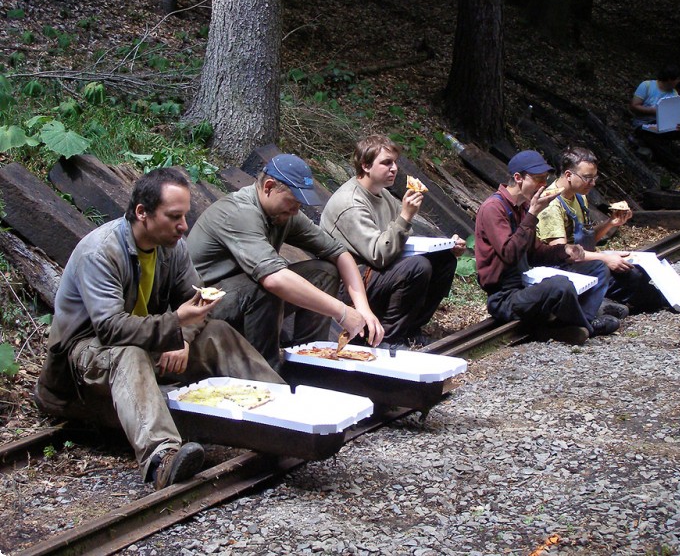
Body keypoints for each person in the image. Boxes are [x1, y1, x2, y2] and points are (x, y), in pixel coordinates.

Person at [34, 168, 284, 490]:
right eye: (174, 217)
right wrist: (175, 324)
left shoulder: (171, 246)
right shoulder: (101, 252)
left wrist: (182, 337)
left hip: (142, 340)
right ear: (143, 213)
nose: (184, 227)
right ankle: (161, 460)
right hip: (83, 359)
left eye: (185, 216)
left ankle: (284, 411)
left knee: (217, 333)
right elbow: (110, 330)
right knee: (129, 355)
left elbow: (199, 304)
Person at [187, 153, 384, 370]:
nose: (296, 210)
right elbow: (273, 280)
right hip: (199, 310)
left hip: (241, 297)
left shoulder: (285, 213)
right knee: (267, 286)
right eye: (292, 202)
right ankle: (265, 371)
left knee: (325, 271)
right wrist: (342, 312)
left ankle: (312, 361)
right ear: (269, 187)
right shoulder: (240, 213)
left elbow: (339, 253)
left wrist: (363, 309)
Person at [320, 135, 467, 349]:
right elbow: (379, 255)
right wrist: (406, 216)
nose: (394, 168)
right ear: (366, 166)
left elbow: (404, 238)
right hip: (348, 282)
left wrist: (446, 247)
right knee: (417, 267)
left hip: (373, 270)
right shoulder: (351, 203)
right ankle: (387, 338)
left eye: (395, 162)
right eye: (386, 163)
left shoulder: (383, 195)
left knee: (443, 260)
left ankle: (410, 329)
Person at [474, 150, 619, 345]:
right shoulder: (493, 208)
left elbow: (535, 254)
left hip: (527, 283)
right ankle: (588, 328)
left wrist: (565, 251)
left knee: (598, 268)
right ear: (518, 178)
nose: (543, 185)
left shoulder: (523, 207)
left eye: (545, 179)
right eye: (538, 180)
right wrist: (532, 214)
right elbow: (510, 254)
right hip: (505, 297)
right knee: (560, 285)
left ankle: (577, 323)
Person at [537, 147, 668, 316]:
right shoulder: (552, 205)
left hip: (585, 260)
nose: (592, 183)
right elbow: (562, 253)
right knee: (631, 279)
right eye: (587, 178)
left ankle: (657, 301)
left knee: (637, 270)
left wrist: (610, 223)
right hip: (566, 268)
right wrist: (605, 258)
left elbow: (587, 240)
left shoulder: (578, 195)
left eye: (594, 178)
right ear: (568, 175)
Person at [629, 64, 680, 189]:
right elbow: (634, 106)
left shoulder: (673, 93)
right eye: (677, 79)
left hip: (666, 124)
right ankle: (676, 167)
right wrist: (653, 111)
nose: (678, 82)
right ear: (669, 79)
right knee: (653, 139)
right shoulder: (647, 86)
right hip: (645, 124)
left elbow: (678, 111)